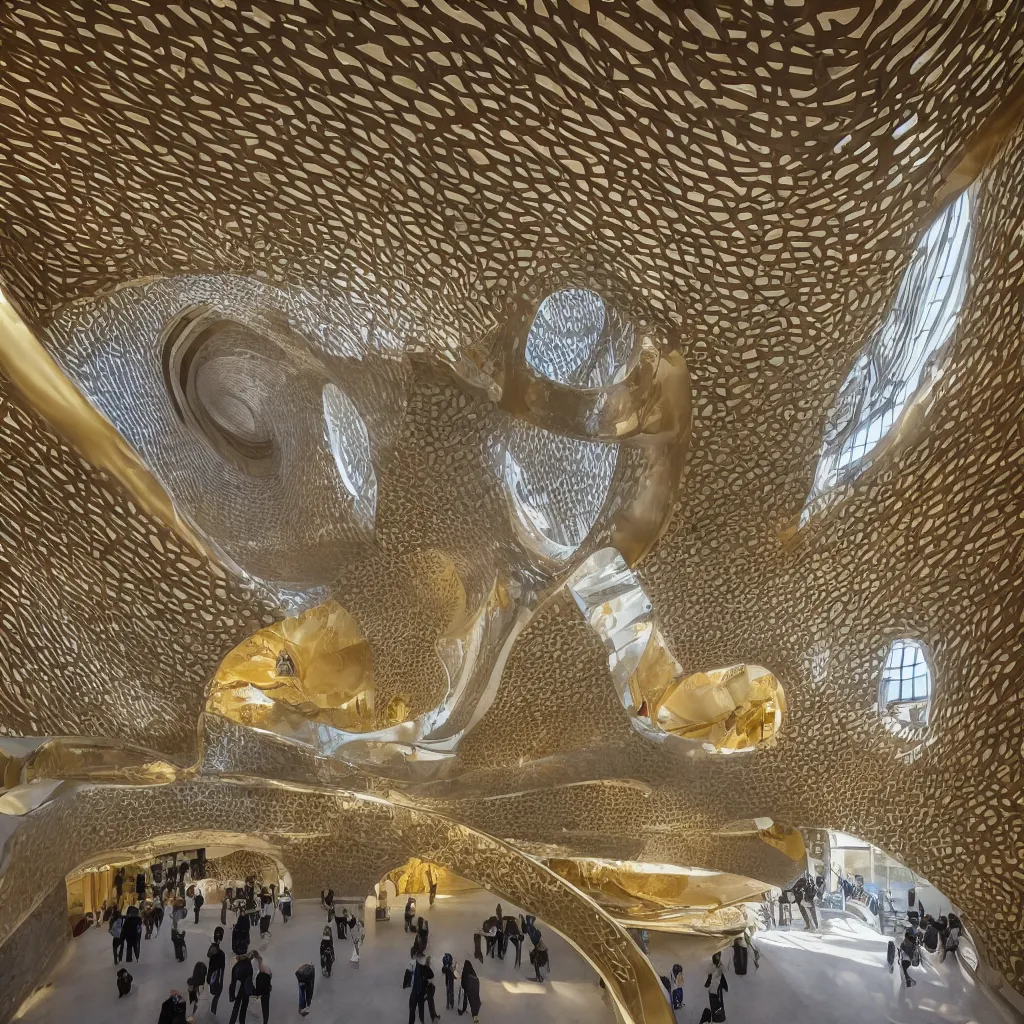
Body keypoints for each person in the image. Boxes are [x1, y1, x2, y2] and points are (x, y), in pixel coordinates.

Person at [228, 952, 255, 1024]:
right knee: (244, 1008)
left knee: (236, 1007)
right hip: (245, 989)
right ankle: (242, 1022)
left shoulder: (236, 966)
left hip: (238, 989)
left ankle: (232, 1022)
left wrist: (232, 995)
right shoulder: (249, 965)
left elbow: (233, 982)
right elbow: (250, 979)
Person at [705, 952, 728, 1021]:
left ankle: (719, 1018)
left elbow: (724, 976)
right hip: (714, 989)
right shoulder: (714, 967)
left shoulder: (721, 967)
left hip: (717, 988)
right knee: (715, 1004)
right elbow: (710, 976)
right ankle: (717, 1018)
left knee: (718, 1004)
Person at [408, 953, 431, 1024]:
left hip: (420, 991)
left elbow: (430, 976)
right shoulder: (415, 965)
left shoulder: (425, 968)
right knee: (413, 1008)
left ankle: (421, 1021)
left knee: (419, 1009)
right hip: (416, 990)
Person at [208, 929, 227, 1015]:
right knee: (215, 995)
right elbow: (221, 969)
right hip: (216, 977)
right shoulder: (221, 954)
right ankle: (212, 1013)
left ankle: (211, 1012)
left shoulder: (213, 953)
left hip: (212, 976)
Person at [253, 951, 273, 1024]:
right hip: (266, 990)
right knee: (265, 1007)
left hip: (257, 989)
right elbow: (270, 976)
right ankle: (265, 1021)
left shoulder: (255, 967)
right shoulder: (266, 967)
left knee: (264, 1005)